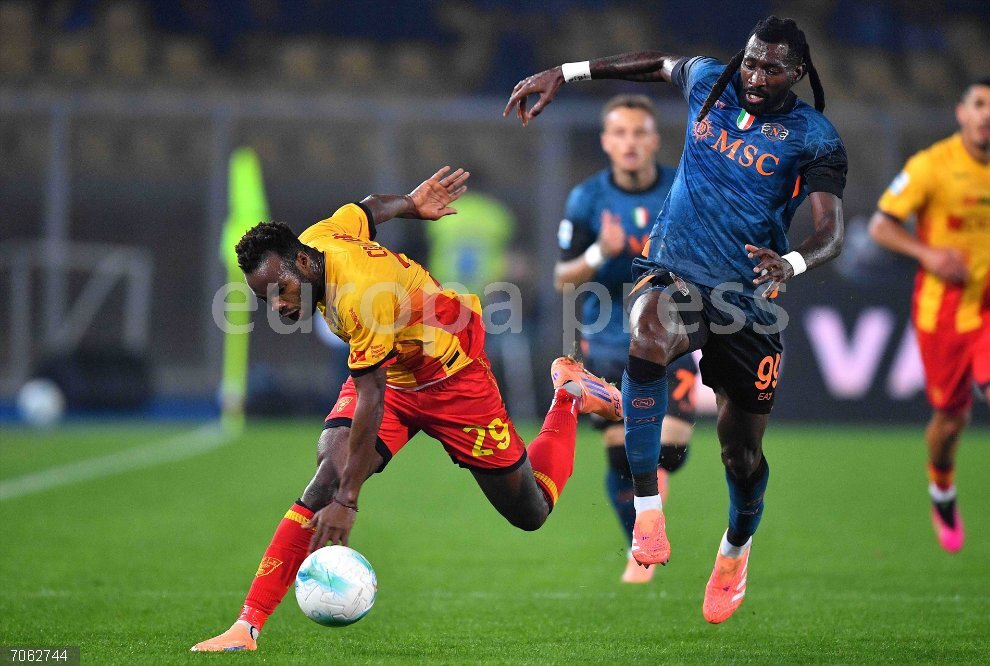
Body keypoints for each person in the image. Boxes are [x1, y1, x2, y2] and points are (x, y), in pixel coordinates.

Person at [191, 166, 623, 652]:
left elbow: (370, 398)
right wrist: (411, 204)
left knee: (531, 511)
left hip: (452, 377)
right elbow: (369, 207)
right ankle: (246, 627)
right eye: (265, 299)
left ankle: (569, 395)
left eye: (280, 292)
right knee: (326, 477)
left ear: (304, 264)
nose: (278, 307)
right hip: (395, 374)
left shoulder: (358, 294)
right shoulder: (319, 239)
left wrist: (348, 502)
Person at [506, 16, 848, 623]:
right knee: (648, 335)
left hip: (746, 299)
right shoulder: (711, 82)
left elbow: (831, 231)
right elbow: (655, 62)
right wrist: (566, 71)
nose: (754, 75)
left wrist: (792, 262)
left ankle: (735, 550)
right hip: (676, 269)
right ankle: (647, 512)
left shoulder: (814, 137)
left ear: (797, 73)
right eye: (750, 61)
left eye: (771, 68)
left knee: (741, 456)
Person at [553, 94, 697, 583]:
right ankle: (642, 553)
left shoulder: (682, 189)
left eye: (639, 132)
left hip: (670, 339)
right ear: (606, 142)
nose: (630, 142)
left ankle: (646, 530)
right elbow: (562, 278)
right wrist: (599, 252)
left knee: (668, 452)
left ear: (655, 140)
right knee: (623, 459)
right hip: (609, 345)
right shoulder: (587, 198)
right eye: (620, 133)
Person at [868, 78, 990, 564]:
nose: (988, 114)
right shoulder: (932, 165)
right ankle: (941, 487)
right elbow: (880, 225)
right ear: (962, 113)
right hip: (942, 314)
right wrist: (928, 254)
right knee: (950, 421)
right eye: (980, 105)